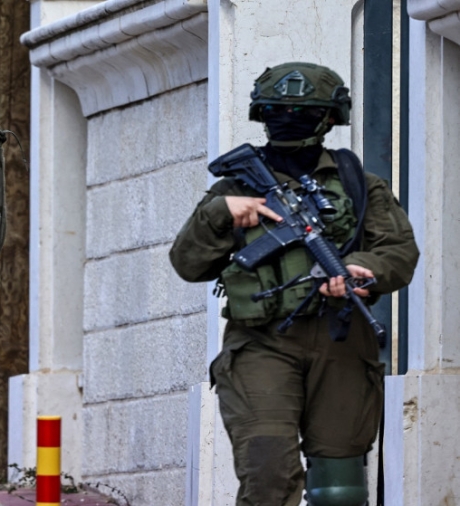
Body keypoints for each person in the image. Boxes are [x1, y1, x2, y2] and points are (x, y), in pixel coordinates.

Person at [169, 62, 419, 505]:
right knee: (269, 475)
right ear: (261, 115)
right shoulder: (234, 188)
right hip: (261, 342)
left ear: (330, 119)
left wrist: (360, 267)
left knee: (340, 488)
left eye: (304, 112)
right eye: (277, 110)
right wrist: (221, 214)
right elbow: (188, 264)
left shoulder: (358, 184)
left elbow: (399, 253)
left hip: (342, 339)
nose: (289, 120)